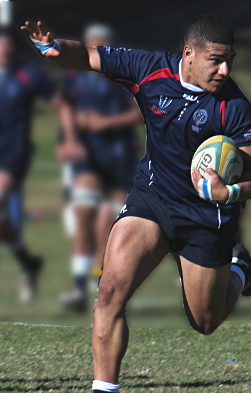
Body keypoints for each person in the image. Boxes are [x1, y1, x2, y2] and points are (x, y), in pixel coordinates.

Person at [21, 15, 251, 393]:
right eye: (216, 61)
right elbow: (87, 56)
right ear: (189, 54)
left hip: (206, 217)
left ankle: (239, 270)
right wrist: (51, 48)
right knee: (110, 291)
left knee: (204, 321)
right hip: (152, 199)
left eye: (230, 62)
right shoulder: (148, 68)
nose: (225, 71)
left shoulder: (234, 106)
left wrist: (231, 193)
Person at [0, 28, 68, 305]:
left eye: (7, 45)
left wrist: (71, 139)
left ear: (12, 49)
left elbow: (60, 104)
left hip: (14, 154)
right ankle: (28, 263)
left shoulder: (28, 75)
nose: (3, 50)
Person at [58, 23, 144, 313]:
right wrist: (68, 139)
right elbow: (66, 109)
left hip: (118, 157)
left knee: (107, 220)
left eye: (102, 45)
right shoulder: (75, 79)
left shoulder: (122, 76)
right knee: (84, 213)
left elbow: (140, 112)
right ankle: (79, 286)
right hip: (87, 158)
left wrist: (106, 123)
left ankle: (99, 283)